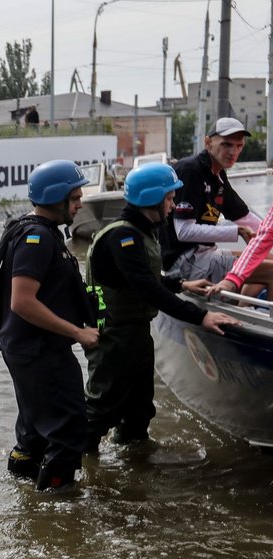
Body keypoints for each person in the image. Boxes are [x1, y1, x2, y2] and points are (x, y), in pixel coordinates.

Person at [84, 163, 241, 450]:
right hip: (114, 339)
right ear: (151, 199)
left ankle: (132, 467)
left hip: (135, 333)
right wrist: (201, 316)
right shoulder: (123, 237)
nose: (173, 205)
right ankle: (76, 474)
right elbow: (147, 289)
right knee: (100, 411)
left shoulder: (139, 231)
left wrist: (182, 285)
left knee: (140, 410)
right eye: (169, 198)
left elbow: (146, 278)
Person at [0, 160, 99, 492]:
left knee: (34, 431)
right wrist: (77, 332)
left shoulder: (33, 230)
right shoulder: (36, 239)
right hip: (40, 353)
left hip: (28, 348)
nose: (81, 203)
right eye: (75, 197)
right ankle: (59, 511)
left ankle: (23, 495)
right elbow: (22, 301)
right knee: (69, 432)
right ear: (56, 198)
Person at [164, 117, 273, 296]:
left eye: (239, 146)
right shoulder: (190, 171)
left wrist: (264, 235)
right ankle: (257, 319)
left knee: (262, 258)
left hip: (206, 254)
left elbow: (246, 218)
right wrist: (235, 231)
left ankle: (241, 310)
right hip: (183, 261)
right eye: (226, 145)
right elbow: (183, 231)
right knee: (271, 271)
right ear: (208, 142)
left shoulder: (218, 175)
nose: (233, 152)